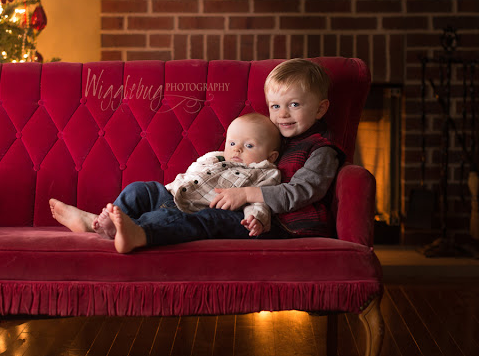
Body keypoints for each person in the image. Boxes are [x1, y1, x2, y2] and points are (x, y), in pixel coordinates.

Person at [49, 113, 281, 253]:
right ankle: (100, 223)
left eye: (249, 146)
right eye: (232, 143)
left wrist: (256, 218)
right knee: (140, 189)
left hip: (199, 211)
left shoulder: (265, 172)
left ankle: (137, 234)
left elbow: (260, 198)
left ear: (271, 156)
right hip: (171, 194)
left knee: (167, 219)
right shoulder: (216, 157)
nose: (237, 149)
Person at [210, 58, 344, 238]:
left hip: (295, 227)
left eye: (294, 104)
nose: (282, 114)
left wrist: (247, 194)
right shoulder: (274, 139)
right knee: (203, 213)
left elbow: (301, 191)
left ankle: (163, 229)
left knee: (210, 220)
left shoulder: (321, 150)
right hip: (257, 216)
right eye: (275, 106)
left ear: (320, 109)